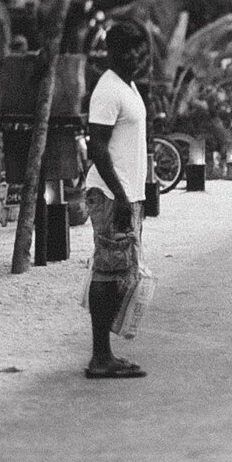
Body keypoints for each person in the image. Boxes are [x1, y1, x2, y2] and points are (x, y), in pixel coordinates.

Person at [79, 31, 153, 380]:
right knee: (107, 272)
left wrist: (142, 193)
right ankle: (100, 356)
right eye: (132, 51)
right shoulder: (108, 90)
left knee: (121, 272)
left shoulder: (129, 87)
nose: (140, 58)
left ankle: (105, 353)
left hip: (126, 193)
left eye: (142, 51)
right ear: (113, 53)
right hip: (111, 194)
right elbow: (97, 148)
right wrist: (121, 196)